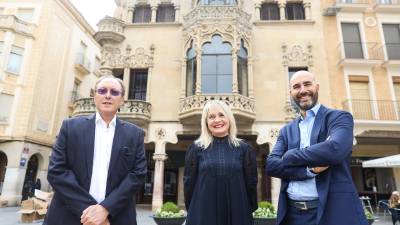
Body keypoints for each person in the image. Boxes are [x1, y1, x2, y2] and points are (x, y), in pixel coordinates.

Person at [266, 71, 368, 225]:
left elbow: (335, 149)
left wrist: (290, 156)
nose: (302, 90)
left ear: (317, 87)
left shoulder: (338, 118)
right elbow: (272, 166)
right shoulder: (286, 130)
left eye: (307, 84)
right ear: (291, 93)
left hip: (333, 212)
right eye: (296, 86)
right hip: (293, 216)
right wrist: (309, 170)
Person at [44, 75, 147, 225]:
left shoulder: (135, 134)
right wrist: (93, 212)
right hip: (68, 217)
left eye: (114, 92)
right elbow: (56, 171)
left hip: (116, 218)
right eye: (102, 90)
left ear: (122, 100)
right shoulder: (70, 127)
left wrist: (106, 209)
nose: (108, 95)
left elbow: (137, 175)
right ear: (94, 96)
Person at [183, 100, 258, 225]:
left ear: (229, 119)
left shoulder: (245, 149)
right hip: (203, 214)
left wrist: (245, 210)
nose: (217, 120)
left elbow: (251, 184)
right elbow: (188, 184)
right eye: (211, 117)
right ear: (206, 123)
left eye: (221, 115)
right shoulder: (196, 149)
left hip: (238, 214)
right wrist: (194, 210)